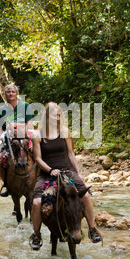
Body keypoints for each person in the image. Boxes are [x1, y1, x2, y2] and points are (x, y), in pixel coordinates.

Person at [29, 102, 102, 250]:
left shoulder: (64, 131)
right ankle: (36, 235)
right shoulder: (37, 134)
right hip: (46, 173)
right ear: (45, 116)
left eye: (58, 115)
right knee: (37, 203)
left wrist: (78, 173)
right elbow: (37, 158)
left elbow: (70, 153)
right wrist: (50, 170)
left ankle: (92, 229)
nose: (56, 118)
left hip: (67, 171)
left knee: (86, 196)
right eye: (53, 115)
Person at [0, 84, 34, 196]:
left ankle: (40, 181)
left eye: (13, 92)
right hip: (8, 140)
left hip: (25, 137)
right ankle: (7, 184)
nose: (11, 94)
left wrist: (16, 126)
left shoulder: (25, 106)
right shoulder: (1, 110)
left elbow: (30, 125)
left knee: (40, 154)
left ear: (16, 93)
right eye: (8, 92)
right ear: (4, 94)